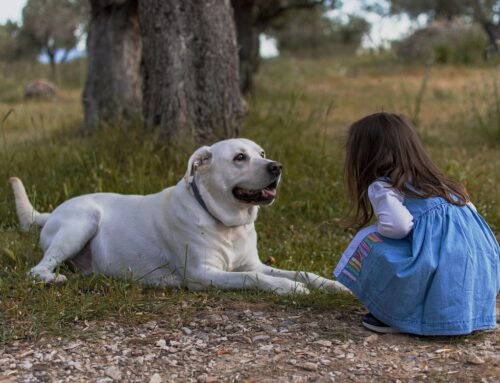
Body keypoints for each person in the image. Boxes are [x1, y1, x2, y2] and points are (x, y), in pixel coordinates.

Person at [333, 112, 499, 335]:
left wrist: (380, 231)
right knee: (444, 255)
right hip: (479, 266)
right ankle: (470, 312)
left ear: (365, 156)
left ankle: (397, 314)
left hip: (440, 267)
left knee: (370, 240)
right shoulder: (443, 185)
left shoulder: (384, 186)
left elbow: (398, 226)